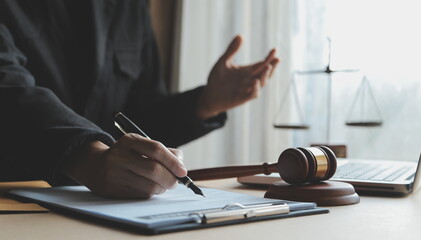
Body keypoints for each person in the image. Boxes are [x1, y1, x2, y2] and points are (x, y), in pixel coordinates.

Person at [0, 0, 279, 198]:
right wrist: (84, 157)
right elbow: (7, 86)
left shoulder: (131, 7)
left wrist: (204, 103)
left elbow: (137, 118)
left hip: (99, 209)